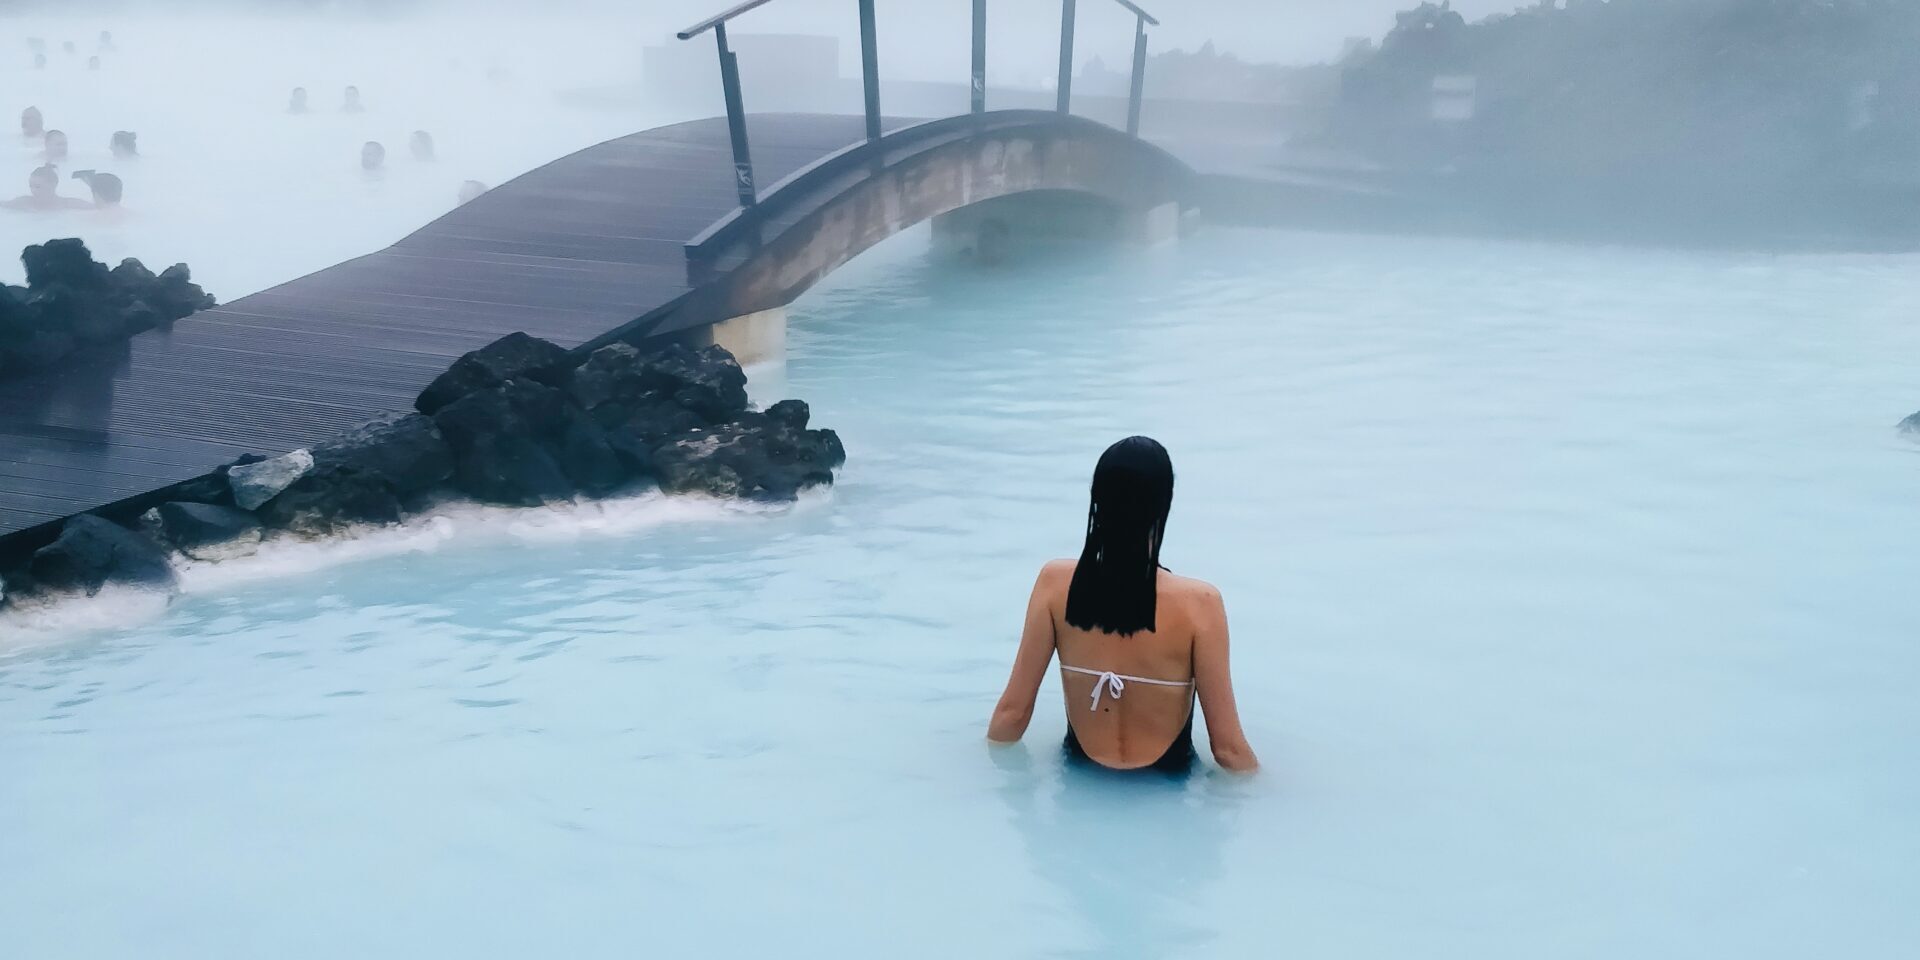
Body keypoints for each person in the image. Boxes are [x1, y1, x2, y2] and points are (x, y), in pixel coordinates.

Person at [988, 437, 1259, 774]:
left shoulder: (1054, 585)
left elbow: (1011, 716)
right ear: (1164, 505)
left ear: (1097, 500)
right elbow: (1228, 750)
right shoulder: (1200, 605)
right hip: (1167, 789)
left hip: (1080, 775)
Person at [1, 164, 92, 211]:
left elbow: (99, 209)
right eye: (31, 186)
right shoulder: (24, 202)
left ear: (53, 184)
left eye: (38, 187)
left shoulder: (69, 204)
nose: (33, 191)